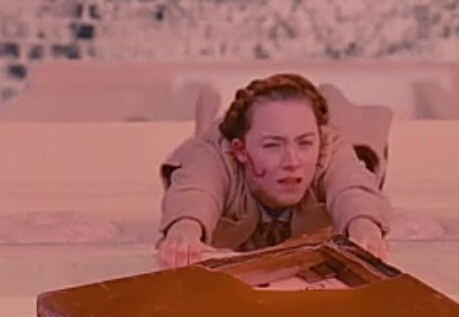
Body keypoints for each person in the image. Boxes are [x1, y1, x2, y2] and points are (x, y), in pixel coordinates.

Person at [156, 72, 393, 269]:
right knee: (197, 150)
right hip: (214, 167)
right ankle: (208, 105)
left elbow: (352, 189)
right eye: (272, 145)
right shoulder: (214, 154)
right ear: (240, 150)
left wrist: (364, 228)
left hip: (326, 192)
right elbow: (196, 189)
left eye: (304, 143)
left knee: (362, 150)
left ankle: (330, 95)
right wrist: (184, 231)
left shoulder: (329, 149)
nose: (292, 162)